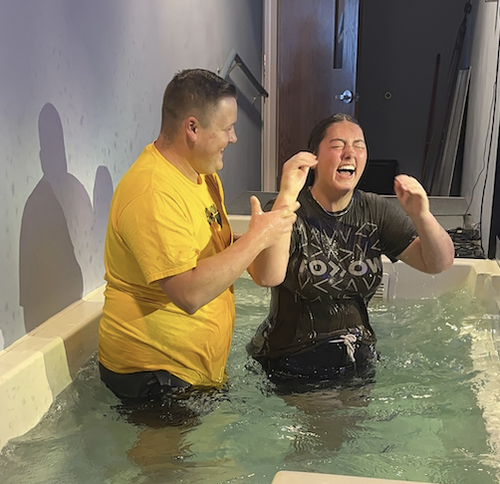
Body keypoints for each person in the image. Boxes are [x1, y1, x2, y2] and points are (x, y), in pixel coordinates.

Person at [98, 68, 317, 409]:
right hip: (152, 376)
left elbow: (264, 274)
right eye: (227, 128)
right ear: (193, 128)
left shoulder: (202, 177)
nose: (234, 138)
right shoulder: (153, 191)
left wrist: (286, 197)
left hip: (193, 373)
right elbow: (188, 293)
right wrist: (257, 237)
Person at [247, 113, 455, 386]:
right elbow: (267, 276)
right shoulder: (288, 209)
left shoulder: (374, 211)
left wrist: (422, 216)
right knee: (331, 411)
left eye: (359, 146)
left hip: (355, 354)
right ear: (313, 158)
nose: (350, 153)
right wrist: (286, 197)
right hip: (290, 357)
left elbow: (438, 263)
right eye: (337, 145)